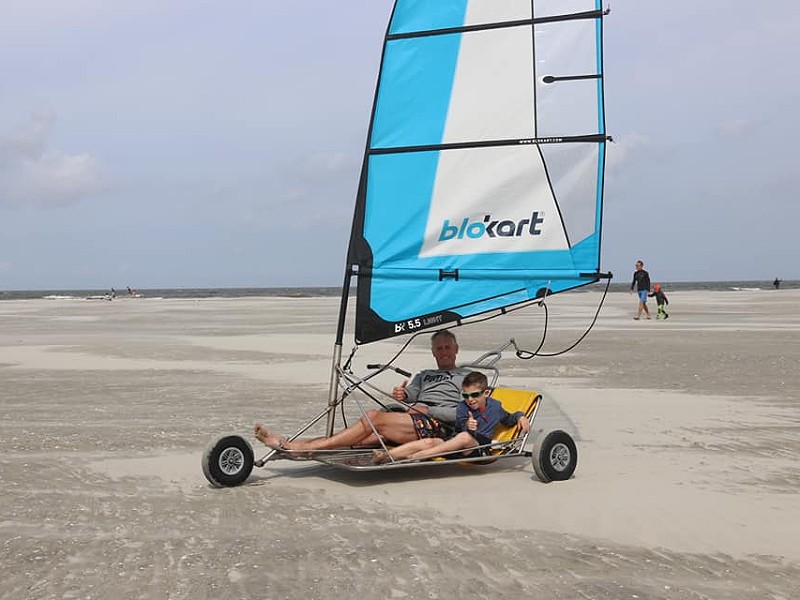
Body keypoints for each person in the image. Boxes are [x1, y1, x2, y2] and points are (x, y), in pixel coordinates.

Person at [254, 329, 472, 452]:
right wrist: (403, 396)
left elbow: (466, 412)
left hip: (438, 426)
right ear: (433, 352)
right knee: (356, 440)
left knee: (373, 417)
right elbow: (411, 394)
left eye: (447, 347)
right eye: (439, 348)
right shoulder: (425, 374)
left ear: (456, 349)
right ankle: (288, 444)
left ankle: (296, 447)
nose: (443, 352)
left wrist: (428, 411)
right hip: (412, 419)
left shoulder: (467, 377)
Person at [371, 371, 530, 464]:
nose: (470, 399)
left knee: (464, 437)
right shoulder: (462, 407)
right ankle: (387, 456)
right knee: (431, 441)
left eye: (475, 395)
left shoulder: (495, 407)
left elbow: (510, 418)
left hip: (478, 450)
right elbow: (460, 427)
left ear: (486, 393)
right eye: (466, 395)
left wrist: (521, 417)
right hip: (455, 445)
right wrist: (468, 425)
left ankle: (414, 457)